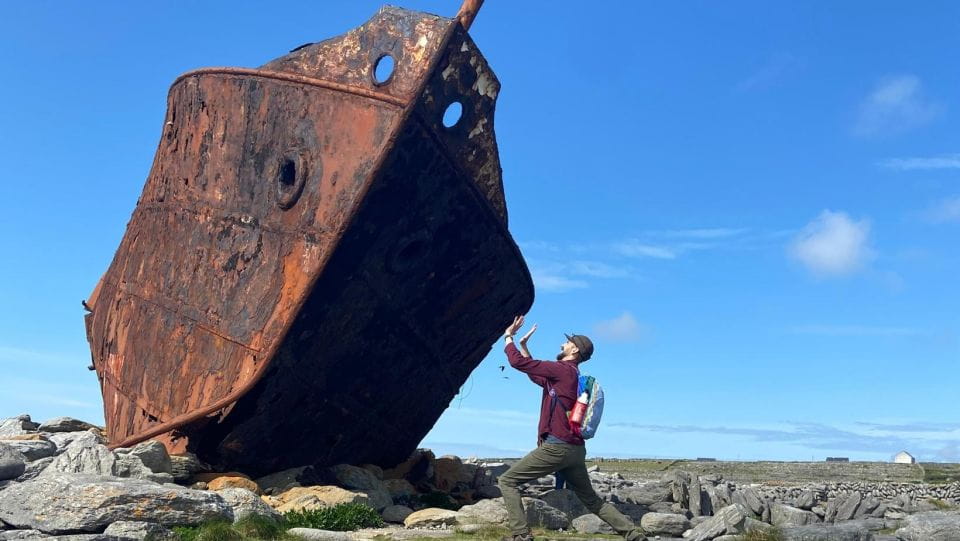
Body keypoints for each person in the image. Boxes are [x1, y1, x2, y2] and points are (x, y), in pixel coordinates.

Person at [497, 315, 646, 541]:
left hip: (557, 447)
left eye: (567, 342)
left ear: (575, 349)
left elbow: (518, 364)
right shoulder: (571, 375)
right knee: (592, 500)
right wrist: (525, 347)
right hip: (575, 450)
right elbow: (537, 377)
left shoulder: (562, 370)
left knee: (507, 481)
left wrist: (509, 337)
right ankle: (634, 534)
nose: (562, 344)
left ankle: (520, 535)